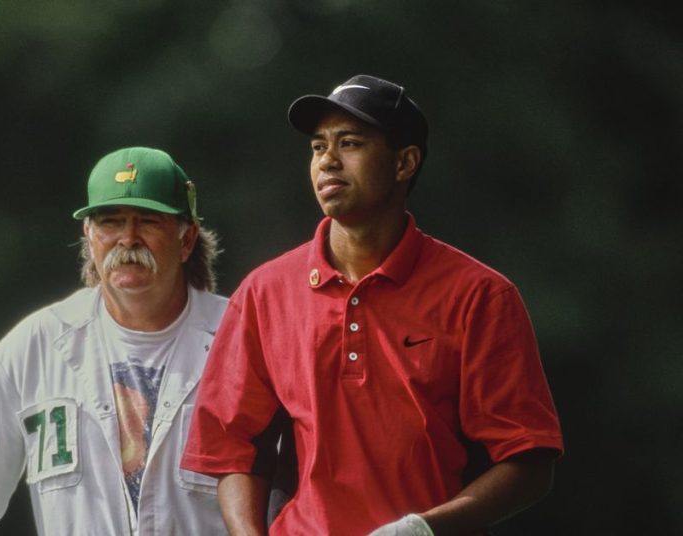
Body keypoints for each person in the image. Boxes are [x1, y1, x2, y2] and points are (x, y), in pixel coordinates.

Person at [181, 74, 564, 536]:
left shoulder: (480, 296)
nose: (328, 160)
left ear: (404, 162)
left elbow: (529, 461)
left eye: (350, 143)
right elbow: (232, 448)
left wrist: (422, 529)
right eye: (318, 147)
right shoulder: (264, 293)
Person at [0, 147, 229, 535]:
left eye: (148, 221)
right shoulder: (36, 346)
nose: (127, 239)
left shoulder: (240, 336)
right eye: (110, 222)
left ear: (187, 239)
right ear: (89, 236)